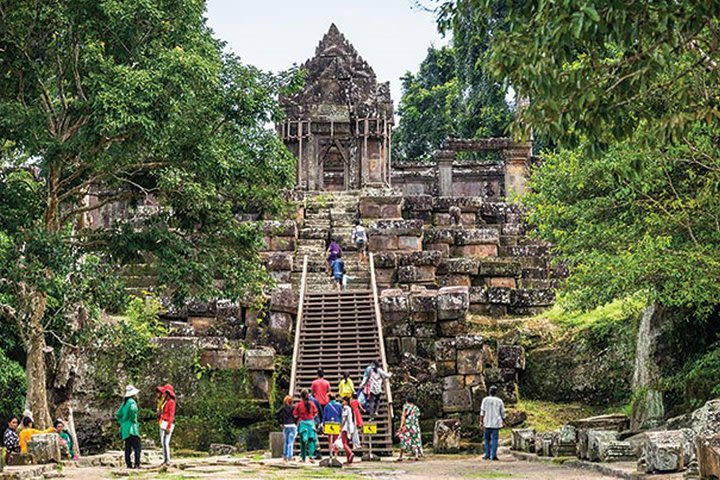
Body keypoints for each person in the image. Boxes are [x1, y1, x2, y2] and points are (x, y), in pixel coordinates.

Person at [115, 385, 141, 469]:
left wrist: (122, 422)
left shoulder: (124, 403)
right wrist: (133, 419)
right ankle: (137, 464)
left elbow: (118, 414)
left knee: (128, 448)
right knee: (137, 447)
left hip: (125, 429)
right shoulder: (132, 402)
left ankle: (128, 464)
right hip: (132, 428)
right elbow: (133, 410)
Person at [480, 385, 505, 461]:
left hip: (487, 422)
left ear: (489, 392)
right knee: (495, 439)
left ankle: (487, 454)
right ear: (496, 392)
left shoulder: (485, 400)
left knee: (487, 439)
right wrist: (504, 421)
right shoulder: (499, 401)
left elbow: (482, 412)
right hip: (496, 423)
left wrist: (481, 421)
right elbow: (502, 413)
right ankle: (493, 455)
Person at [293, 389, 319, 463]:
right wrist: (311, 416)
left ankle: (303, 458)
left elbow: (295, 415)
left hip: (303, 423)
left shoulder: (299, 404)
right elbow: (316, 413)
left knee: (303, 441)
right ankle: (311, 456)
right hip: (311, 423)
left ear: (301, 396)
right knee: (311, 440)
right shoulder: (312, 404)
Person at [397, 395, 422, 461]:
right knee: (415, 439)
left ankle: (401, 456)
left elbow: (403, 416)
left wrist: (401, 426)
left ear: (407, 401)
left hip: (407, 425)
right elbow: (416, 417)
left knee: (403, 439)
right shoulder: (416, 408)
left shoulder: (405, 407)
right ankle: (416, 455)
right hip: (415, 426)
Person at [158, 384, 176, 466]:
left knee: (165, 442)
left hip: (167, 423)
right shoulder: (166, 402)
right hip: (163, 422)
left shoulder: (171, 402)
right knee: (163, 442)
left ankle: (167, 460)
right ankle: (165, 459)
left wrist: (169, 426)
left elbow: (171, 415)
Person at [276, 395, 297, 462]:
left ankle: (285, 455)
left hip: (285, 425)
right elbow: (296, 415)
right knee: (291, 442)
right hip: (292, 425)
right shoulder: (293, 408)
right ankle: (289, 456)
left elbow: (277, 414)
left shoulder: (282, 408)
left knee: (286, 441)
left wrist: (280, 423)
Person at [340, 396, 356, 464]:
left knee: (344, 443)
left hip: (346, 427)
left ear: (346, 402)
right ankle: (348, 459)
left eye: (343, 401)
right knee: (347, 443)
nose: (342, 403)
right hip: (350, 427)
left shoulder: (346, 408)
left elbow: (344, 418)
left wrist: (341, 426)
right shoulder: (350, 408)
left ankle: (350, 453)